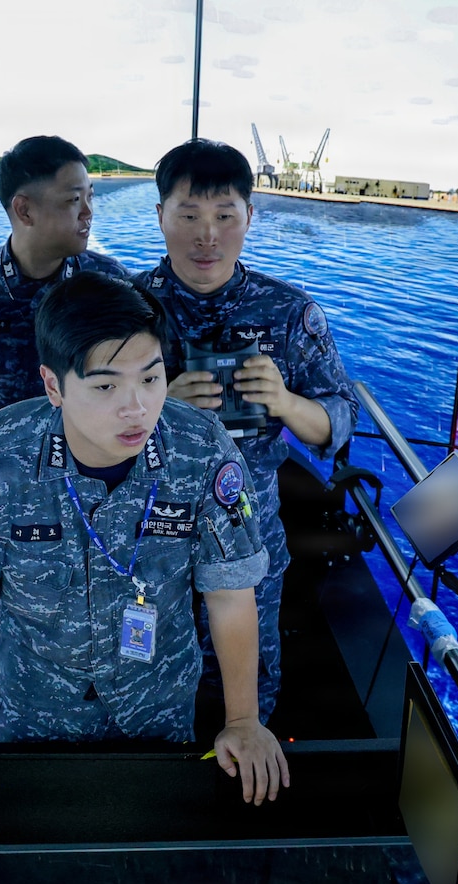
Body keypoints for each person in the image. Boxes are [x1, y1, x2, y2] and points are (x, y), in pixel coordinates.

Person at [0, 271, 290, 810]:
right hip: (36, 718)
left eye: (150, 379)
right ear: (54, 386)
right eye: (105, 386)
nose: (136, 408)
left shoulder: (200, 449)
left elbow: (229, 592)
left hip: (159, 712)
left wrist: (242, 720)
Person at [136, 139, 361, 724]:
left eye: (224, 216)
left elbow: (336, 422)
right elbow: (73, 425)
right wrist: (160, 402)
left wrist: (284, 401)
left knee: (247, 693)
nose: (206, 235)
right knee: (146, 684)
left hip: (247, 535)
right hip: (144, 540)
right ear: (160, 216)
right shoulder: (126, 307)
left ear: (248, 219)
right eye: (188, 216)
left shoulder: (288, 313)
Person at [0, 135, 128, 446]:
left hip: (83, 465)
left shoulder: (111, 282)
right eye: (74, 200)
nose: (88, 212)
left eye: (91, 197)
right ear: (24, 210)